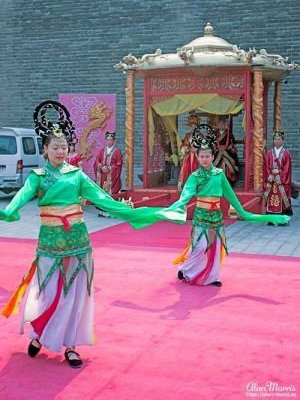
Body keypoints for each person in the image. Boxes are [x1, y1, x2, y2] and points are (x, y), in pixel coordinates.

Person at [0, 101, 186, 368]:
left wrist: (133, 212)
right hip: (50, 242)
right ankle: (41, 333)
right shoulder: (38, 176)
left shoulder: (77, 175)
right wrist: (8, 211)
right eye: (55, 147)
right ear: (45, 149)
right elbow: (20, 199)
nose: (60, 151)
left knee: (75, 294)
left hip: (78, 241)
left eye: (64, 147)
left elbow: (103, 199)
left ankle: (72, 346)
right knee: (50, 291)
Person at [166, 124, 290, 287]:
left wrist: (242, 211)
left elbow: (230, 195)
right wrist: (178, 204)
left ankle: (213, 277)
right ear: (198, 157)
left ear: (212, 156)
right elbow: (187, 193)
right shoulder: (194, 176)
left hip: (216, 215)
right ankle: (186, 269)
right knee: (200, 246)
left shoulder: (219, 174)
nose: (204, 159)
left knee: (216, 246)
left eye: (207, 156)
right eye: (201, 156)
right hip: (200, 215)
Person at [263, 131, 293, 224]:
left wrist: (280, 176)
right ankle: (271, 219)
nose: (277, 141)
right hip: (271, 179)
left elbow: (287, 168)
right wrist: (271, 175)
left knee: (281, 197)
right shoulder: (269, 153)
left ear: (282, 140)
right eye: (275, 139)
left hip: (281, 180)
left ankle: (282, 219)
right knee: (271, 198)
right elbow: (266, 167)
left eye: (279, 139)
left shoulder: (286, 153)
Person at [213, 116, 239, 186]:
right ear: (218, 125)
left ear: (225, 125)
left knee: (226, 163)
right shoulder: (215, 133)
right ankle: (217, 182)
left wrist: (228, 148)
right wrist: (216, 148)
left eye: (223, 124)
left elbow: (232, 144)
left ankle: (227, 182)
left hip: (227, 152)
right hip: (217, 152)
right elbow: (212, 144)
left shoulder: (229, 134)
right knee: (218, 163)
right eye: (220, 124)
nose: (222, 126)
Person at [178, 113, 200, 190]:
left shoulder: (200, 136)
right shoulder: (187, 135)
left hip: (198, 155)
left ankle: (198, 184)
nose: (193, 127)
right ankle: (186, 183)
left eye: (194, 126)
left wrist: (197, 149)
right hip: (189, 154)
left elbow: (204, 146)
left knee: (197, 166)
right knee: (186, 166)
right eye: (191, 126)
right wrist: (188, 149)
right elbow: (184, 145)